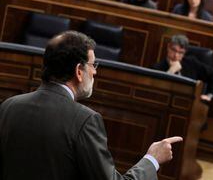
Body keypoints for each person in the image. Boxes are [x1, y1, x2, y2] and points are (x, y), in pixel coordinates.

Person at [0, 31, 182, 179]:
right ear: (79, 71)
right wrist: (152, 160)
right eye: (93, 65)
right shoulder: (85, 120)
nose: (95, 72)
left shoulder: (8, 106)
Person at [153, 34, 213, 102]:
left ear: (185, 53)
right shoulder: (157, 68)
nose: (176, 55)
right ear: (168, 47)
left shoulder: (191, 63)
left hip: (189, 102)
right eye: (173, 50)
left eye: (181, 52)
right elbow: (157, 94)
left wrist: (209, 95)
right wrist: (171, 71)